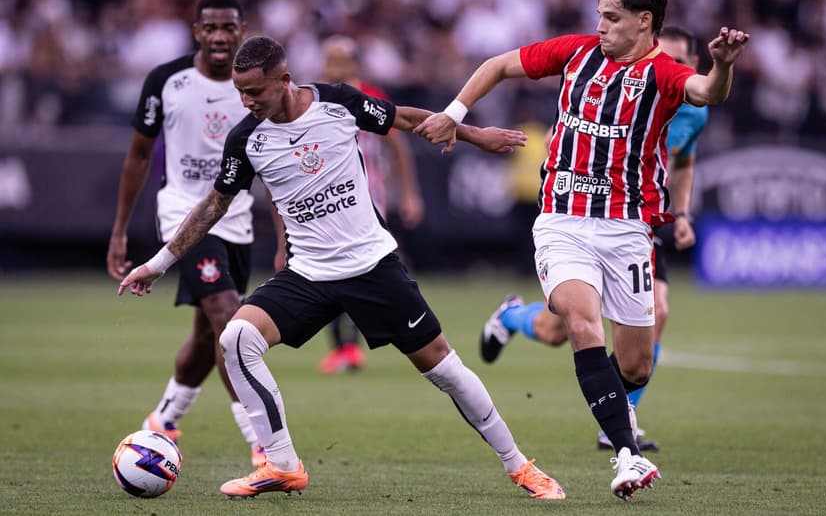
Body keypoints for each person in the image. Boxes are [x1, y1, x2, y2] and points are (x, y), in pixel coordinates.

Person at [117, 34, 565, 501]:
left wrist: (473, 134)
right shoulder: (246, 138)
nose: (246, 102)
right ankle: (282, 463)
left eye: (255, 92)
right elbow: (213, 205)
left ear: (284, 80)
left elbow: (405, 119)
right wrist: (158, 263)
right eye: (240, 92)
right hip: (308, 273)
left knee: (444, 370)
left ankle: (521, 467)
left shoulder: (336, 103)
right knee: (236, 339)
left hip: (372, 265)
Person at [415, 0, 748, 500]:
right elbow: (499, 64)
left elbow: (706, 91)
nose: (600, 28)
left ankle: (513, 318)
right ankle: (626, 455)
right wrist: (454, 113)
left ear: (644, 22)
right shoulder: (576, 52)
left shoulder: (662, 73)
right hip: (562, 220)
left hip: (626, 228)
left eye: (611, 18)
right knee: (579, 320)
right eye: (598, 16)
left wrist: (723, 65)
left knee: (635, 361)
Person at [476, 25, 710, 453]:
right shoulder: (616, 85)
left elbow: (684, 164)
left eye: (678, 60)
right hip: (590, 215)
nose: (667, 65)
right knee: (555, 331)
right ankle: (512, 316)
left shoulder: (690, 108)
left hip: (641, 220)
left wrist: (683, 213)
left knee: (657, 310)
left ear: (691, 65)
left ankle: (620, 422)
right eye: (665, 56)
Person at [106, 0, 284, 468]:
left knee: (208, 335)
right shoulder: (166, 81)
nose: (221, 36)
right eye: (211, 27)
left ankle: (164, 417)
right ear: (197, 31)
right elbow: (139, 155)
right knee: (230, 318)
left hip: (238, 217)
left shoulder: (258, 85)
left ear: (242, 29)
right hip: (185, 215)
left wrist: (284, 238)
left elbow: (274, 166)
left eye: (229, 27)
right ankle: (262, 440)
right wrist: (120, 229)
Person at [316, 35, 424, 374]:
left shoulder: (371, 98)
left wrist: (409, 193)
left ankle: (390, 332)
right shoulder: (315, 97)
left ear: (354, 64)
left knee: (369, 267)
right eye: (329, 60)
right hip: (329, 202)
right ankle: (346, 347)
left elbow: (397, 146)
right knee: (332, 268)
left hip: (369, 199)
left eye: (340, 60)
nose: (334, 67)